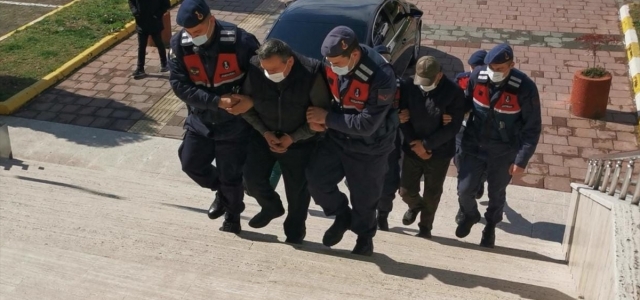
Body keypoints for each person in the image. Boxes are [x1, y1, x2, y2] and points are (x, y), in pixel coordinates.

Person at [168, 0, 260, 234]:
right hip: (201, 121)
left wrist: (251, 101)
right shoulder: (180, 44)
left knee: (231, 175)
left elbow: (262, 79)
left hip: (234, 124)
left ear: (210, 20)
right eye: (188, 31)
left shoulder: (241, 41)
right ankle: (223, 193)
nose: (192, 36)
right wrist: (217, 102)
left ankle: (233, 215)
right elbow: (180, 86)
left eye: (197, 31)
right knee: (190, 163)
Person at [305, 26, 398, 256]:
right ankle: (342, 215)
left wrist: (326, 118)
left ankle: (364, 237)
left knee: (365, 200)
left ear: (354, 55)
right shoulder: (331, 63)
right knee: (316, 180)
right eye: (329, 61)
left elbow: (367, 125)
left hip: (370, 147)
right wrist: (318, 120)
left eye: (337, 61)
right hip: (337, 138)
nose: (333, 66)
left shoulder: (381, 76)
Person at [234, 39, 330, 244]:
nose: (269, 74)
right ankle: (271, 207)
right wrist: (264, 132)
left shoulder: (312, 74)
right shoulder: (254, 67)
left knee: (297, 193)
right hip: (264, 136)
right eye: (265, 69)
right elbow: (246, 107)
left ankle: (295, 233)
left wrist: (293, 138)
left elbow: (319, 118)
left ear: (290, 62)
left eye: (274, 69)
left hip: (300, 142)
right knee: (250, 179)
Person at [455, 43, 542, 248]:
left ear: (511, 64)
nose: (494, 72)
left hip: (503, 151)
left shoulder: (525, 88)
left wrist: (521, 160)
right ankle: (470, 215)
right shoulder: (477, 76)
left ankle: (490, 227)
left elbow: (532, 128)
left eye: (500, 68)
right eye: (491, 68)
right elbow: (466, 102)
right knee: (464, 190)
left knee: (496, 194)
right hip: (474, 145)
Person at [398, 56, 465, 238]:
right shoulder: (408, 86)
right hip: (412, 148)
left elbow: (453, 127)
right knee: (405, 190)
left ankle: (425, 227)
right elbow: (403, 117)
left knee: (432, 193)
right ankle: (415, 205)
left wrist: (427, 146)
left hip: (439, 153)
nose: (423, 84)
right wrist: (416, 145)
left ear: (440, 75)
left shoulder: (454, 93)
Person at [371, 45, 408, 231]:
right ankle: (368, 213)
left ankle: (382, 215)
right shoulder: (363, 81)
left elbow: (408, 109)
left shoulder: (401, 84)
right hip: (366, 139)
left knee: (389, 180)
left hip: (390, 140)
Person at [452, 50, 488, 224]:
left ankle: (478, 183)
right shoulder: (462, 80)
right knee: (460, 164)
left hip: (481, 135)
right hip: (462, 131)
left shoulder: (491, 83)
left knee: (480, 168)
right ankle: (463, 205)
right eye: (473, 67)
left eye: (478, 67)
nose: (474, 71)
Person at [128, 0, 171, 79]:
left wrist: (158, 14)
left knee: (159, 43)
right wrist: (135, 11)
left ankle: (164, 63)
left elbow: (166, 4)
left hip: (155, 22)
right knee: (141, 46)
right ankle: (140, 68)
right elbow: (131, 1)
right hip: (141, 22)